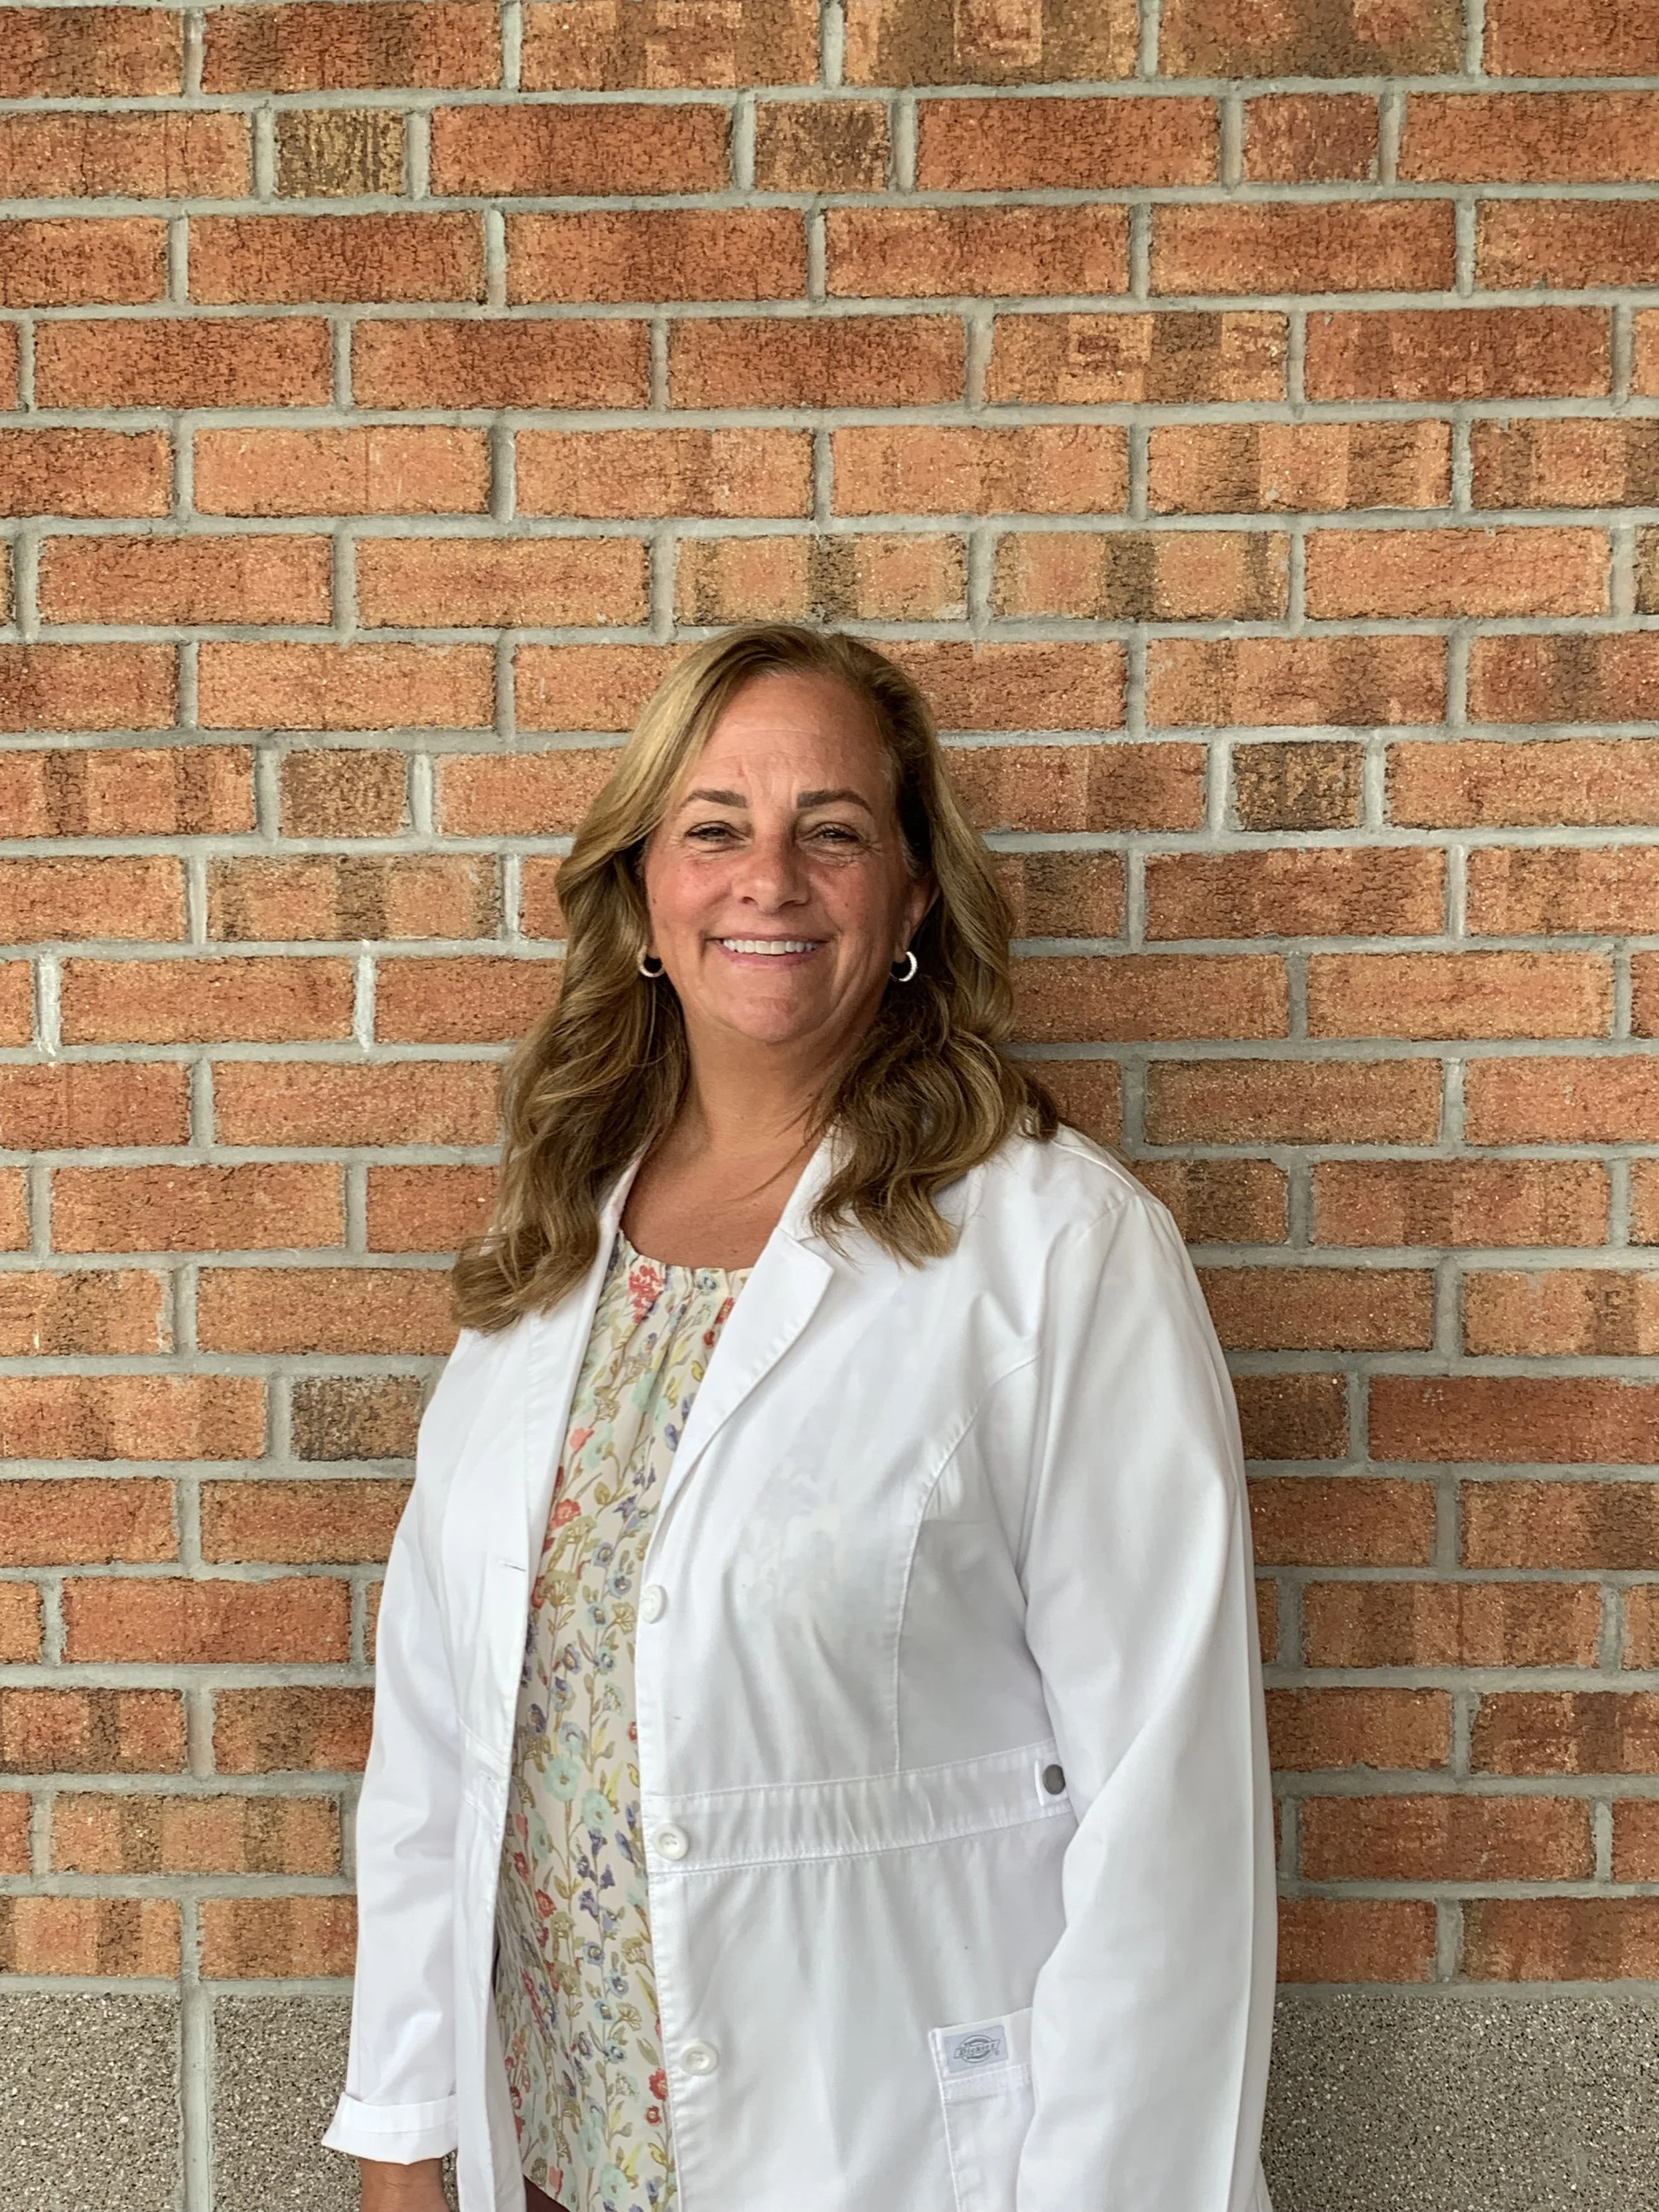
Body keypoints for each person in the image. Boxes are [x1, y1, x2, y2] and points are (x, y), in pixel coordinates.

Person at [323, 623, 1277, 2212]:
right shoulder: (558, 1247)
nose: (765, 877)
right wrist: (402, 2133)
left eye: (830, 831)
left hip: (899, 2161)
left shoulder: (1054, 1252)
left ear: (909, 898)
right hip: (558, 2167)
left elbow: (1167, 1815)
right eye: (712, 829)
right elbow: (441, 1745)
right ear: (642, 893)